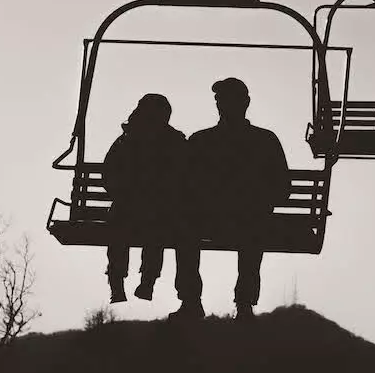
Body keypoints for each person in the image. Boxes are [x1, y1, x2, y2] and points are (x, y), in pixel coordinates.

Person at [169, 77, 290, 321]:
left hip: (223, 218)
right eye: (219, 98)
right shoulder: (263, 140)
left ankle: (194, 301)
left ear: (244, 102)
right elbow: (282, 188)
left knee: (189, 227)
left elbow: (182, 185)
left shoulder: (202, 140)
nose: (220, 103)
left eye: (223, 98)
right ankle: (241, 304)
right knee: (249, 228)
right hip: (232, 218)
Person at [102, 94, 190, 303]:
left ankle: (126, 282)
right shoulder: (165, 140)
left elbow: (182, 176)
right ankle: (141, 282)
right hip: (140, 205)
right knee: (149, 227)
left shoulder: (129, 138)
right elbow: (111, 172)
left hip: (148, 206)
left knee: (143, 226)